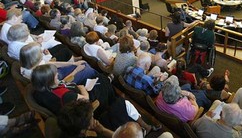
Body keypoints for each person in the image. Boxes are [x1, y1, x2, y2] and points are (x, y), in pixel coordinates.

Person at [31, 64, 161, 132]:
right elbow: (85, 100)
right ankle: (142, 123)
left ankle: (110, 90)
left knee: (102, 80)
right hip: (89, 108)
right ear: (49, 80)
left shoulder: (40, 91)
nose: (57, 75)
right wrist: (81, 88)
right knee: (105, 84)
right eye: (55, 75)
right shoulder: (64, 96)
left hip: (75, 106)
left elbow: (63, 86)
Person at [20, 42, 96, 85]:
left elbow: (53, 63)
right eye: (40, 53)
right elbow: (60, 84)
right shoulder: (40, 73)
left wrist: (73, 64)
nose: (42, 53)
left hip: (56, 74)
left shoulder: (27, 65)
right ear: (35, 58)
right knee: (86, 67)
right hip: (61, 80)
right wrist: (76, 70)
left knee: (82, 64)